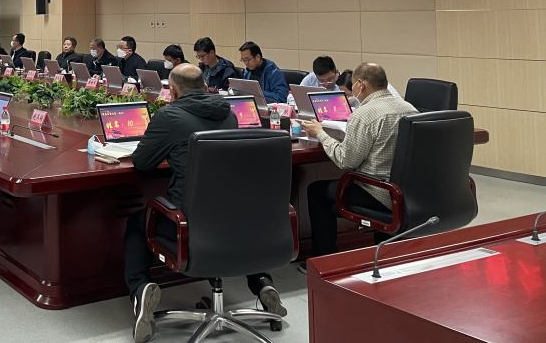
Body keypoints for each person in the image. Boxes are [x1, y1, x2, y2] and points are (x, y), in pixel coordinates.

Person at [125, 64, 286, 342]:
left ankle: (141, 290)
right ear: (204, 86)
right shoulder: (229, 113)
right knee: (226, 219)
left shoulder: (169, 115)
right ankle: (262, 284)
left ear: (173, 91)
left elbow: (142, 162)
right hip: (245, 222)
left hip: (190, 228)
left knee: (139, 222)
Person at [300, 63, 419, 266]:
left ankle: (324, 259)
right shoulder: (410, 109)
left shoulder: (364, 114)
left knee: (316, 191)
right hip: (410, 191)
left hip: (378, 192)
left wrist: (320, 133)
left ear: (360, 85)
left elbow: (345, 160)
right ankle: (386, 248)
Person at [337, 69, 402, 108]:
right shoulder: (366, 87)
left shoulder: (376, 89)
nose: (347, 98)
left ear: (358, 86)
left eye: (347, 95)